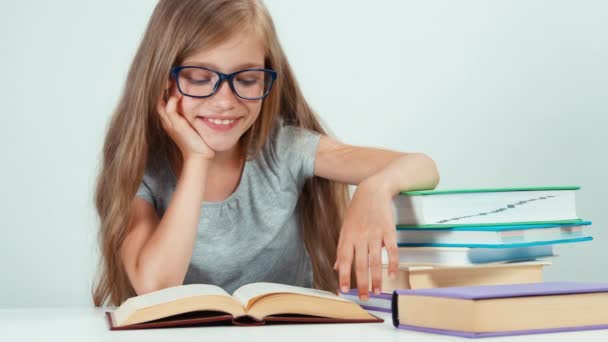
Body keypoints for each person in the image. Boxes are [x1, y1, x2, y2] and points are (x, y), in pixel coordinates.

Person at [93, 0, 439, 307]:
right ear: (163, 81)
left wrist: (374, 188)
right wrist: (197, 159)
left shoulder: (285, 150)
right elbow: (156, 287)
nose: (226, 101)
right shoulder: (142, 172)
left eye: (246, 79)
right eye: (199, 77)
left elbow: (422, 166)